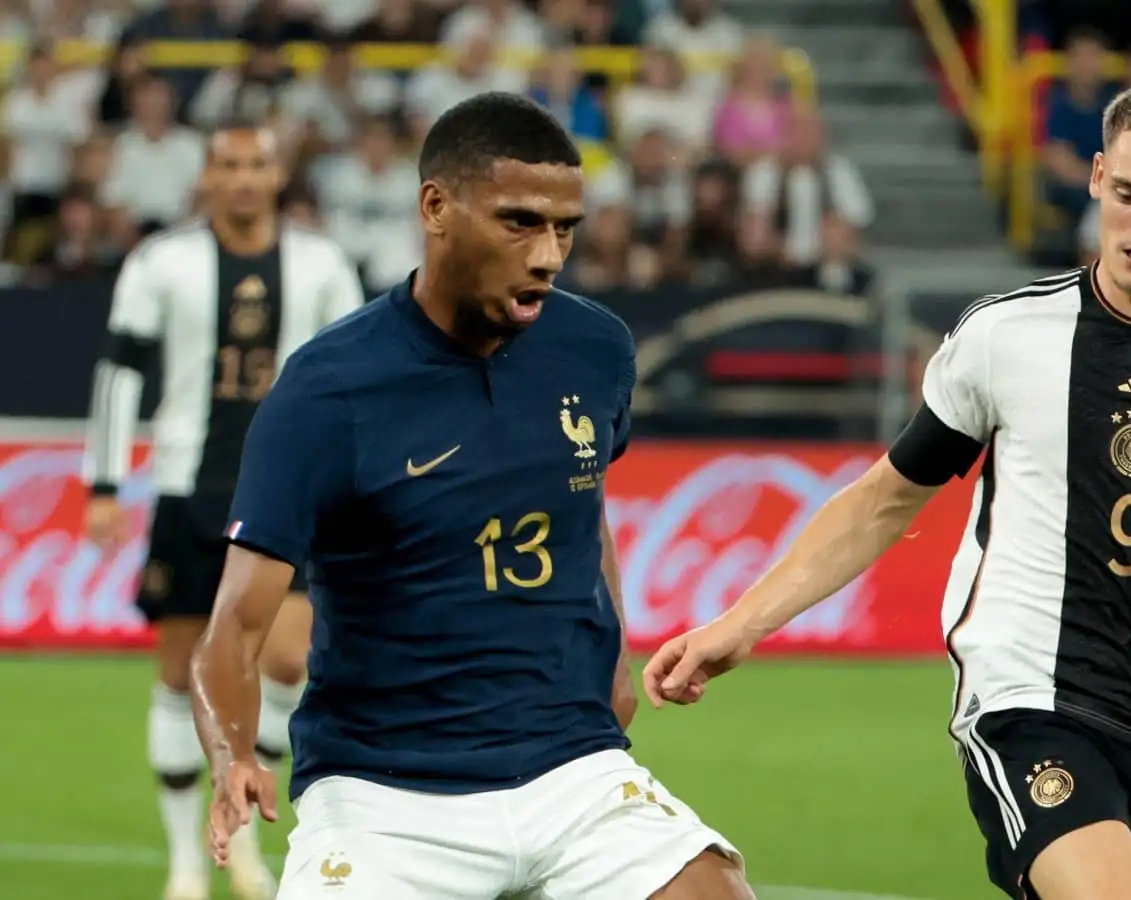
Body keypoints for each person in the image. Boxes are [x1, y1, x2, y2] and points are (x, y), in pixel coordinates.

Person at [644, 77, 1131, 900]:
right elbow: (884, 498)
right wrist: (741, 624)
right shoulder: (1007, 336)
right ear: (1095, 177)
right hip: (1028, 700)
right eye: (1128, 194)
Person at [190, 92, 752, 900]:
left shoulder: (595, 349)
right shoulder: (329, 390)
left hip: (571, 770)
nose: (549, 254)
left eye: (565, 228)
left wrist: (616, 650)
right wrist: (233, 752)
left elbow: (581, 498)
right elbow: (234, 628)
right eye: (520, 221)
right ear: (436, 207)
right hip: (385, 798)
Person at [82, 121, 365, 900]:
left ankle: (243, 828)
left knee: (285, 661)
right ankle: (185, 862)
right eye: (229, 165)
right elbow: (120, 373)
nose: (243, 179)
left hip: (292, 491)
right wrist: (104, 485)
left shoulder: (323, 264)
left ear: (279, 176)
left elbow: (354, 375)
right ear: (207, 176)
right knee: (180, 674)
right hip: (187, 488)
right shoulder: (161, 261)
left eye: (257, 165)